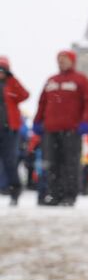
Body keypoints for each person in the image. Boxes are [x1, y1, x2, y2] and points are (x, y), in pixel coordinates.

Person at [33, 50, 88, 206]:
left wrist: (86, 121)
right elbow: (42, 103)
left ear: (72, 61)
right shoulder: (51, 81)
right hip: (50, 130)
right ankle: (54, 194)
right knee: (52, 163)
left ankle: (69, 195)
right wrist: (37, 121)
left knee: (70, 163)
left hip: (71, 130)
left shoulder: (81, 80)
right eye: (59, 59)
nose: (61, 62)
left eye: (65, 59)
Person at [0, 56, 29, 206]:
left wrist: (12, 79)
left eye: (3, 70)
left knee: (10, 161)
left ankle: (14, 191)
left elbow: (25, 95)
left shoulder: (11, 84)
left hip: (9, 130)